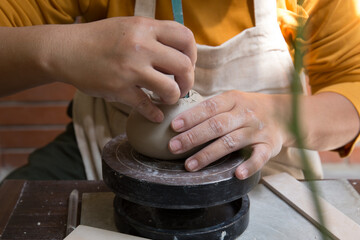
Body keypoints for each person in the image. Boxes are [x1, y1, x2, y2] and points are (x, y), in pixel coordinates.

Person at [1, 0, 359, 181]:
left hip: (259, 167)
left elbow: (353, 86)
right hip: (103, 147)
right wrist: (59, 50)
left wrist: (282, 117)